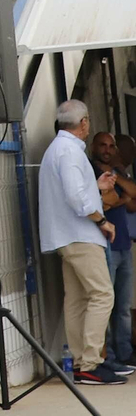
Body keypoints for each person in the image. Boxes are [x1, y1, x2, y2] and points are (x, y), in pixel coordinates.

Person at [38, 101, 122, 385]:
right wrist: (102, 220)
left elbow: (71, 191)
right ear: (84, 122)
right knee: (102, 295)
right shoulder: (70, 151)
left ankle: (79, 362)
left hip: (65, 236)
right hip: (81, 234)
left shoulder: (57, 150)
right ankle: (90, 361)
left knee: (76, 300)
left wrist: (95, 186)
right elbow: (76, 198)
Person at [90, 131, 136, 369]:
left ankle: (125, 353)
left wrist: (117, 180)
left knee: (123, 306)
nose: (107, 150)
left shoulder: (115, 173)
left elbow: (133, 198)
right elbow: (105, 202)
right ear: (93, 146)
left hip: (124, 245)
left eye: (111, 146)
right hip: (104, 245)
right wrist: (119, 196)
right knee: (105, 304)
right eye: (102, 145)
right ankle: (107, 356)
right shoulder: (91, 171)